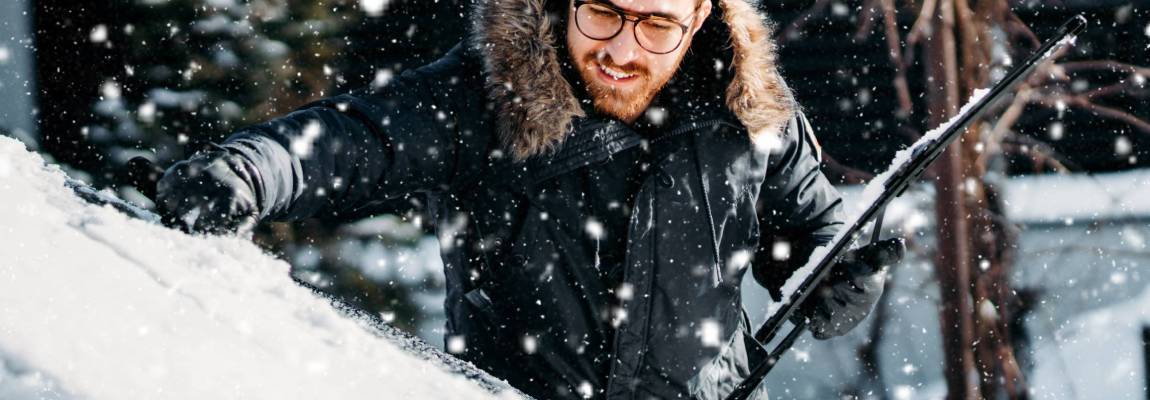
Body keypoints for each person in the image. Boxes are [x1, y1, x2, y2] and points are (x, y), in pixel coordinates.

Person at [156, 0, 905, 398]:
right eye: (603, 12)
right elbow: (356, 138)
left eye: (655, 25)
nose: (621, 49)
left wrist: (841, 281)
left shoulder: (753, 116)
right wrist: (247, 171)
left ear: (701, 18)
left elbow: (811, 236)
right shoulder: (491, 95)